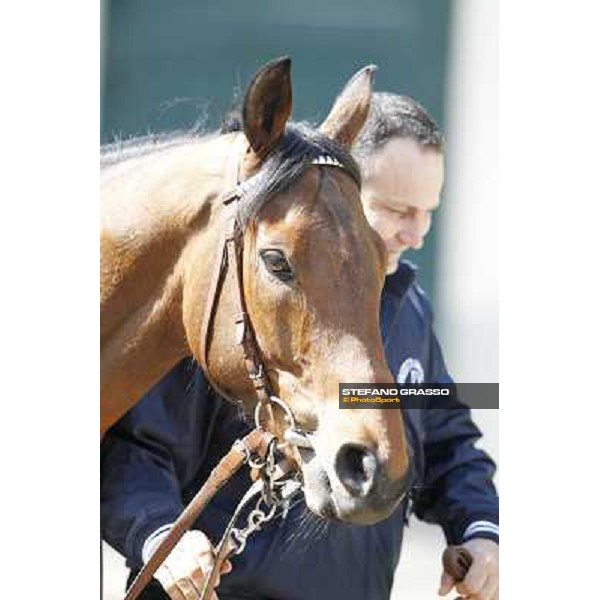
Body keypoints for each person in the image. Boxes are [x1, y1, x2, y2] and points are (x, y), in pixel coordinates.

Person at [101, 93, 499, 600]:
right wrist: (161, 536)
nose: (417, 233)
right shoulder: (237, 309)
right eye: (398, 209)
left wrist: (481, 529)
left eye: (428, 212)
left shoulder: (412, 308)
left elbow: (446, 430)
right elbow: (137, 450)